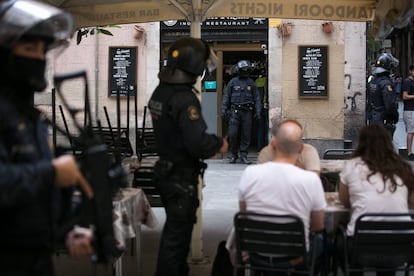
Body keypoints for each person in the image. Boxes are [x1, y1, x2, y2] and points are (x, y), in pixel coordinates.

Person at [0, 0, 95, 275]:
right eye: (29, 49)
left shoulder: (28, 115)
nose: (39, 59)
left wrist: (65, 230)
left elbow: (33, 191)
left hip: (35, 256)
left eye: (43, 50)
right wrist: (50, 172)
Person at [148, 37, 228, 276]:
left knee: (174, 234)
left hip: (166, 170)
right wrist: (219, 144)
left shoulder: (161, 91)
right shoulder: (184, 98)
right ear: (193, 65)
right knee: (177, 240)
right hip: (180, 177)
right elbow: (197, 143)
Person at [238, 119, 326, 275]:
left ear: (273, 144)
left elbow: (245, 216)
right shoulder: (311, 180)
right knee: (324, 241)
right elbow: (318, 225)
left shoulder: (249, 174)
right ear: (301, 148)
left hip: (257, 254)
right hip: (295, 257)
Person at [338, 124, 414, 275]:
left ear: (361, 143)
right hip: (399, 248)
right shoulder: (403, 167)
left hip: (361, 248)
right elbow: (412, 204)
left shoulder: (351, 166)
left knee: (338, 242)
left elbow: (344, 202)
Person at [221, 60, 262, 164]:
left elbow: (257, 98)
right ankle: (233, 155)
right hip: (235, 111)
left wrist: (258, 110)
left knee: (246, 134)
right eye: (243, 70)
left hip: (247, 111)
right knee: (232, 133)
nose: (245, 71)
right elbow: (226, 97)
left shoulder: (251, 83)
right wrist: (223, 109)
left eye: (246, 69)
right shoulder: (232, 82)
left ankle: (244, 155)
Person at [367, 53, 399, 136]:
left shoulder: (373, 81)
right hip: (383, 119)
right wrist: (394, 116)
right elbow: (390, 104)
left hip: (373, 118)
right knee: (383, 145)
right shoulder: (385, 83)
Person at [402, 64, 414, 160]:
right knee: (411, 131)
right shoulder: (407, 82)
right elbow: (405, 96)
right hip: (409, 110)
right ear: (410, 71)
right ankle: (409, 152)